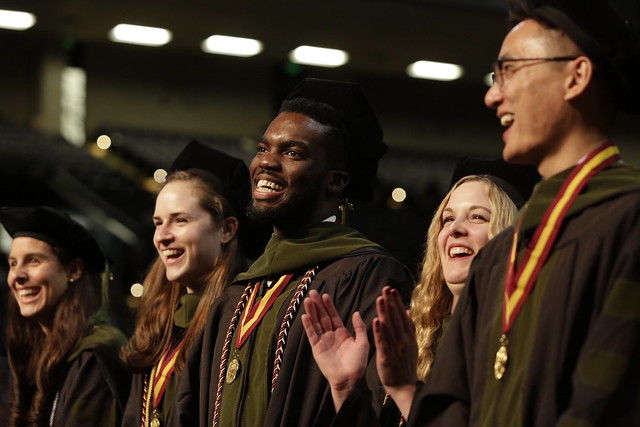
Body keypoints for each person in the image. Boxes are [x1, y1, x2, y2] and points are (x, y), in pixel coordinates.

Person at [373, 0, 640, 425]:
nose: (492, 94)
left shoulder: (627, 222)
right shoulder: (502, 256)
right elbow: (455, 407)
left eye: (509, 71)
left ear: (576, 75)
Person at [172, 78, 414, 426]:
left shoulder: (367, 277)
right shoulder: (237, 294)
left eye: (292, 152)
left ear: (336, 181)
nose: (266, 162)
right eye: (262, 148)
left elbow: (382, 404)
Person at [302, 159, 538, 424]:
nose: (455, 229)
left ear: (509, 235)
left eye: (477, 217)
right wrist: (345, 387)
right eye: (447, 219)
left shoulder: (523, 337)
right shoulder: (413, 331)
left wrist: (405, 391)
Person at [121, 141, 260, 426]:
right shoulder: (160, 320)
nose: (162, 236)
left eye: (180, 220)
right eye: (158, 222)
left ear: (226, 229)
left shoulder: (244, 322)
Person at [1, 206, 130, 426]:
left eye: (33, 261)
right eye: (13, 263)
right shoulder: (39, 349)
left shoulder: (94, 354)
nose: (17, 276)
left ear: (74, 271)